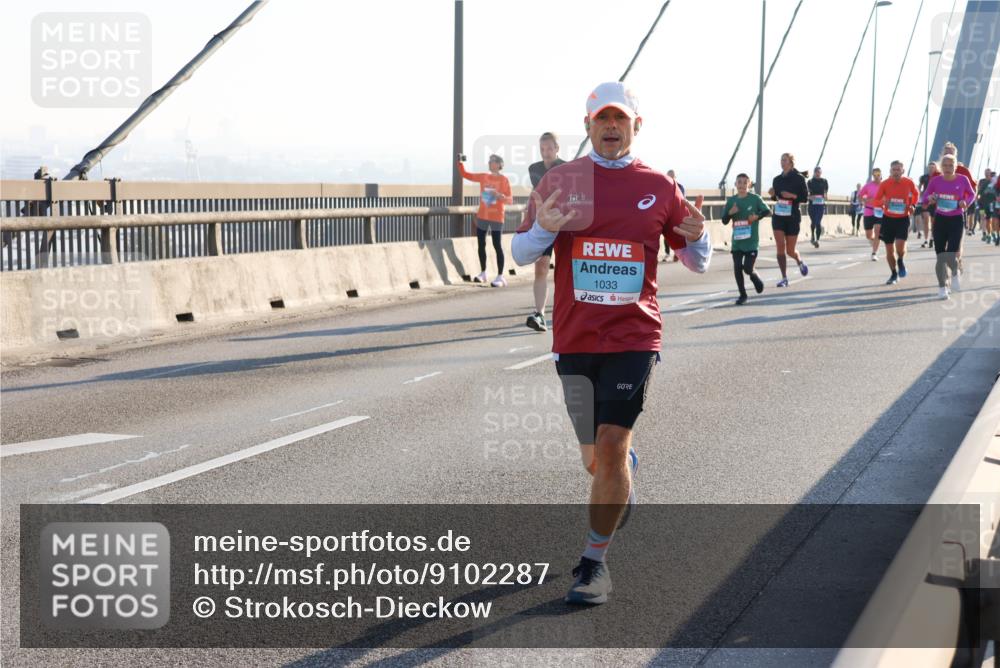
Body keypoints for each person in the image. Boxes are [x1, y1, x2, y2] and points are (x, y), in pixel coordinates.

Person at [511, 81, 711, 606]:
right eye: (602, 119)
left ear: (636, 126)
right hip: (574, 338)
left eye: (620, 119)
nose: (611, 127)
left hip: (633, 335)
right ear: (588, 125)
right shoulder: (561, 180)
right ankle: (623, 474)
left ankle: (595, 564)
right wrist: (544, 232)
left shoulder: (659, 186)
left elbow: (696, 260)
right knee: (595, 460)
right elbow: (519, 249)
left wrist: (700, 236)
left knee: (611, 443)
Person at [525, 132, 567, 331]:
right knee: (541, 266)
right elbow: (540, 192)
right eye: (542, 149)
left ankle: (571, 311)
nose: (546, 152)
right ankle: (540, 314)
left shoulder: (568, 168)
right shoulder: (534, 169)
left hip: (567, 222)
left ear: (557, 149)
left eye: (549, 148)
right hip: (545, 222)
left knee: (568, 269)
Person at [921, 154, 976, 298]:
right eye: (944, 165)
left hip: (956, 219)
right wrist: (930, 198)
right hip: (940, 220)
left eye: (950, 165)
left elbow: (972, 194)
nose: (947, 168)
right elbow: (925, 196)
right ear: (941, 167)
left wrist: (965, 202)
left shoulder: (962, 179)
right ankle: (942, 287)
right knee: (940, 256)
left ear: (955, 166)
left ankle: (955, 272)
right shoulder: (935, 180)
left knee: (951, 254)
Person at [457, 154, 513, 287]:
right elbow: (465, 175)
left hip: (497, 217)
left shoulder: (504, 180)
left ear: (499, 164)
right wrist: (459, 163)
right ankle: (483, 273)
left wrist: (499, 195)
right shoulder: (483, 176)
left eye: (492, 161)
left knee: (497, 245)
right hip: (483, 215)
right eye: (489, 161)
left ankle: (500, 276)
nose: (489, 163)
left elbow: (510, 200)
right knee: (481, 244)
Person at [722, 173, 770, 304]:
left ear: (749, 184)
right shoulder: (731, 201)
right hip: (737, 242)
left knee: (747, 268)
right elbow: (724, 220)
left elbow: (767, 211)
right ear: (735, 184)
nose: (742, 185)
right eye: (739, 182)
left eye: (744, 182)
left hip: (751, 241)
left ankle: (754, 275)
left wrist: (756, 217)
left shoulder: (755, 199)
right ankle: (742, 295)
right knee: (737, 267)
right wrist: (730, 213)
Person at [872, 161, 919, 285]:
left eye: (898, 169)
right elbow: (876, 201)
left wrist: (913, 205)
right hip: (888, 219)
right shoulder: (885, 184)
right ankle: (893, 274)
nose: (896, 172)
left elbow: (916, 194)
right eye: (894, 170)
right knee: (889, 249)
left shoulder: (909, 182)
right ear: (890, 171)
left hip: (903, 218)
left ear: (903, 171)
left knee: (900, 246)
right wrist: (883, 203)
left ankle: (901, 260)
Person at [768, 153, 809, 287]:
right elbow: (776, 198)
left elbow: (804, 198)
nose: (782, 162)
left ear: (791, 163)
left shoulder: (799, 179)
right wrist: (773, 195)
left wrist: (791, 195)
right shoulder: (777, 179)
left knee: (790, 250)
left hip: (792, 217)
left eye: (785, 160)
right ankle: (784, 278)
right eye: (781, 160)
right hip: (779, 216)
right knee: (780, 246)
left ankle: (799, 261)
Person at [859, 168, 884, 260]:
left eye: (878, 175)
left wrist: (883, 201)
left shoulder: (885, 185)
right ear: (872, 176)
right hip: (868, 210)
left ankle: (874, 253)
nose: (877, 177)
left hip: (880, 211)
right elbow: (860, 196)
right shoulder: (868, 186)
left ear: (881, 175)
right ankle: (874, 243)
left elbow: (890, 196)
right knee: (869, 235)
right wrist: (865, 200)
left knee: (877, 231)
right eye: (875, 175)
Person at [918, 161, 940, 248]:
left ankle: (932, 238)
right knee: (926, 219)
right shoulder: (924, 177)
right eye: (930, 167)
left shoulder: (939, 176)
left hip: (935, 201)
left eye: (933, 167)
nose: (931, 169)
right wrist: (919, 195)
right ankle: (926, 240)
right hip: (926, 200)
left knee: (934, 222)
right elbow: (920, 187)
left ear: (936, 168)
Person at [807, 166, 829, 248]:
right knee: (813, 222)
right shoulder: (810, 182)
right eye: (816, 172)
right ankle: (812, 235)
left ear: (821, 173)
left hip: (820, 205)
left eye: (819, 172)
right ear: (814, 172)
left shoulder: (824, 181)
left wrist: (826, 196)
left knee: (818, 223)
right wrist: (810, 197)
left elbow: (826, 192)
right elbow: (807, 193)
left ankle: (817, 240)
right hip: (812, 205)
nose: (818, 174)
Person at [976, 168, 994, 240]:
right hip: (982, 203)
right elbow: (979, 190)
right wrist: (977, 196)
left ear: (990, 174)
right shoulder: (981, 181)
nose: (987, 174)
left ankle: (990, 232)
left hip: (991, 204)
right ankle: (984, 233)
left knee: (989, 219)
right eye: (986, 172)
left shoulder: (993, 182)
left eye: (988, 173)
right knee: (982, 217)